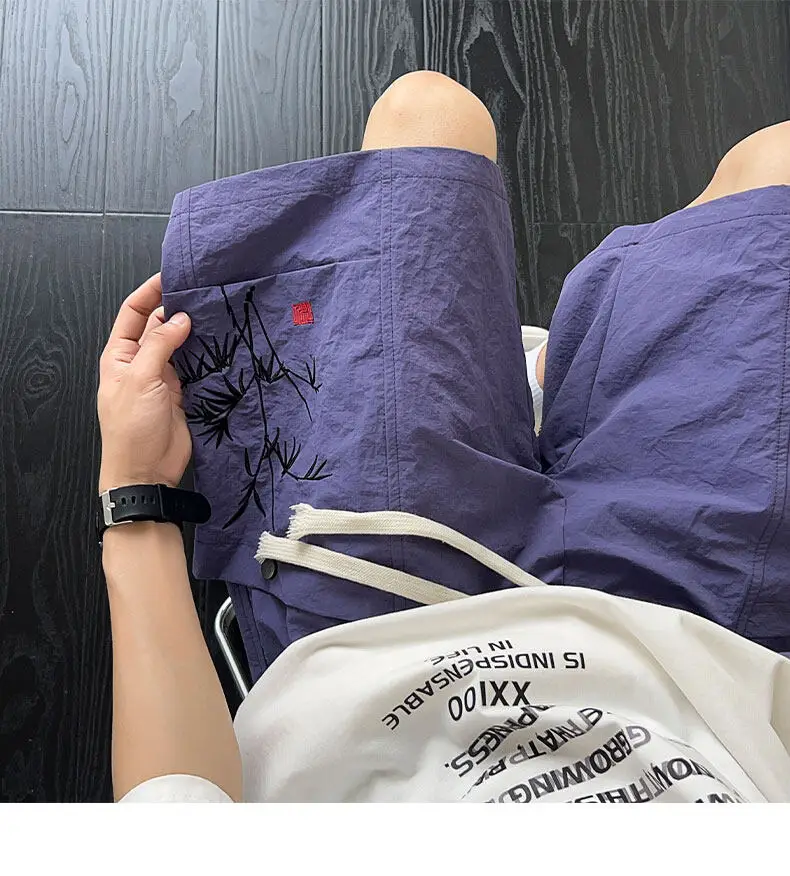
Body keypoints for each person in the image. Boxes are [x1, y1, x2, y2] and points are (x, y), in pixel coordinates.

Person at [97, 73, 790, 803]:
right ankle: (557, 394)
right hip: (702, 649)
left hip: (383, 631)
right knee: (775, 162)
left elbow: (172, 800)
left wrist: (134, 486)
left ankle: (540, 398)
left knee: (427, 112)